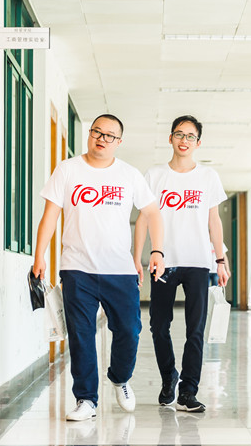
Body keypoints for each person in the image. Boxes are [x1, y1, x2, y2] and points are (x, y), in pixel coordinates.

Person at [33, 114, 165, 421]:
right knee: (81, 335)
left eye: (109, 135)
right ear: (90, 134)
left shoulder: (129, 174)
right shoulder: (68, 169)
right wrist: (39, 255)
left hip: (120, 270)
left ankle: (120, 378)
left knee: (129, 330)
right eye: (97, 132)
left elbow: (153, 213)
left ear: (119, 142)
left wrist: (157, 251)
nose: (101, 139)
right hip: (77, 268)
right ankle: (86, 399)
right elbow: (50, 215)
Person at [135, 115, 229, 413]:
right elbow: (143, 219)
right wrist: (136, 258)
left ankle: (188, 391)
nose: (184, 140)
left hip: (198, 261)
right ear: (170, 138)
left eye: (190, 136)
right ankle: (168, 377)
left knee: (195, 329)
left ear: (198, 143)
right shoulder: (154, 175)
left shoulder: (208, 176)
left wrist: (220, 259)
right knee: (158, 325)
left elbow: (214, 220)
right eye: (179, 134)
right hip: (163, 261)